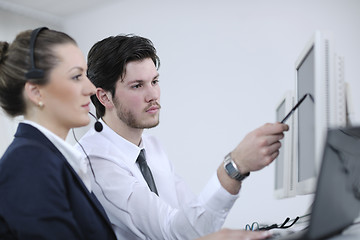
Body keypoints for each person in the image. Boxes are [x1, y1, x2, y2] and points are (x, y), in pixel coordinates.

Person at [77, 34, 288, 240]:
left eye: (155, 81)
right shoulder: (94, 162)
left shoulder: (152, 147)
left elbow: (194, 222)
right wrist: (235, 165)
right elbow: (173, 233)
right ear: (104, 97)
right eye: (137, 85)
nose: (153, 95)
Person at [0, 27, 117, 239]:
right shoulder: (29, 162)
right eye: (76, 76)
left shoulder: (48, 159)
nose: (91, 88)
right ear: (36, 92)